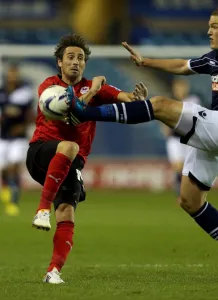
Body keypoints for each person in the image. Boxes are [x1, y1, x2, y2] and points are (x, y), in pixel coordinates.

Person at [68, 7, 218, 282]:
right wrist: (145, 62)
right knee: (189, 200)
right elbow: (182, 65)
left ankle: (85, 113)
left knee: (159, 104)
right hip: (216, 138)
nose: (209, 31)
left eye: (214, 26)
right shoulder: (215, 58)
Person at [26, 34, 147, 284]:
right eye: (70, 57)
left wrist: (136, 100)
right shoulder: (49, 87)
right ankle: (40, 209)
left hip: (71, 162)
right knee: (69, 146)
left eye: (80, 58)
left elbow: (125, 98)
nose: (76, 62)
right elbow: (71, 110)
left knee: (67, 213)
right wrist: (93, 91)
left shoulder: (95, 86)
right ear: (59, 62)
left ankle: (53, 272)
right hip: (41, 153)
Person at [0, 62, 35, 216]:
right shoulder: (1, 92)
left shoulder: (25, 93)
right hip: (3, 136)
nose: (12, 77)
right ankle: (7, 194)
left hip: (18, 137)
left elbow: (30, 115)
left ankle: (14, 200)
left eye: (15, 74)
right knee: (4, 169)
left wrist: (22, 127)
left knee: (14, 166)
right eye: (10, 74)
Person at [162, 78, 201, 196]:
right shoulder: (170, 101)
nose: (179, 90)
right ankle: (181, 193)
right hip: (174, 139)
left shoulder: (194, 100)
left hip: (189, 139)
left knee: (188, 168)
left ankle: (189, 192)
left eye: (182, 87)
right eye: (177, 88)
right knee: (178, 166)